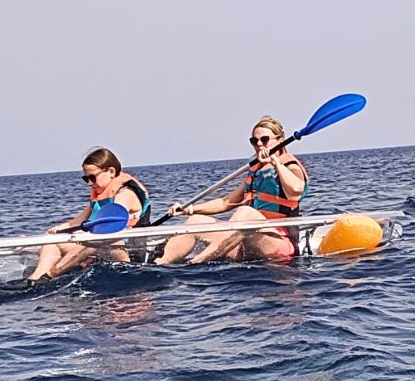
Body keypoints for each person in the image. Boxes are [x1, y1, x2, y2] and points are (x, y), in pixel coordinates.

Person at [156, 116, 308, 263]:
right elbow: (226, 202)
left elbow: (295, 192)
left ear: (280, 140)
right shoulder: (256, 169)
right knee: (194, 221)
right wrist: (188, 209)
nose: (259, 144)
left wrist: (275, 163)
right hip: (247, 242)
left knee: (246, 213)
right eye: (254, 141)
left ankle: (196, 263)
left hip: (279, 244)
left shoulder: (290, 166)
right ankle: (160, 264)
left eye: (265, 140)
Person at [27, 147, 151, 281]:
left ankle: (51, 274)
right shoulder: (100, 197)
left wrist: (83, 234)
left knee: (94, 240)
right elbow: (77, 222)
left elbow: (108, 224)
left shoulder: (126, 193)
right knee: (52, 241)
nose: (90, 183)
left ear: (111, 171)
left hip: (125, 251)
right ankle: (35, 280)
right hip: (100, 246)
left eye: (92, 177)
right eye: (86, 179)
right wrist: (57, 231)